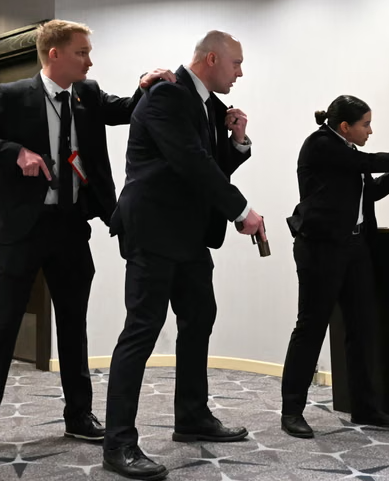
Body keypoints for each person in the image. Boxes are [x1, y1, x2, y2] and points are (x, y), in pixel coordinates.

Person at [0, 19, 175, 453]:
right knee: (4, 323)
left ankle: (78, 415)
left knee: (73, 324)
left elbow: (125, 111)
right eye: (82, 52)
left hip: (70, 225)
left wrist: (145, 86)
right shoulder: (12, 96)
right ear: (54, 54)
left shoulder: (86, 94)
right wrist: (15, 152)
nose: (90, 61)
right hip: (21, 230)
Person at [102, 31, 266, 480]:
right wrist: (241, 210)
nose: (240, 72)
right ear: (211, 58)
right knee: (141, 330)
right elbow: (191, 162)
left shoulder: (208, 105)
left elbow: (209, 167)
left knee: (199, 318)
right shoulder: (166, 96)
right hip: (154, 231)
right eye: (236, 63)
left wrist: (237, 141)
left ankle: (192, 416)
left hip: (189, 236)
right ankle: (118, 444)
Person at [281, 95, 389, 439]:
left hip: (354, 248)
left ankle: (365, 406)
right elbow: (370, 162)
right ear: (344, 126)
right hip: (320, 249)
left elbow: (372, 191)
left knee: (362, 328)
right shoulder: (321, 144)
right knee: (310, 328)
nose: (370, 130)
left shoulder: (348, 152)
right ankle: (291, 411)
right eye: (365, 124)